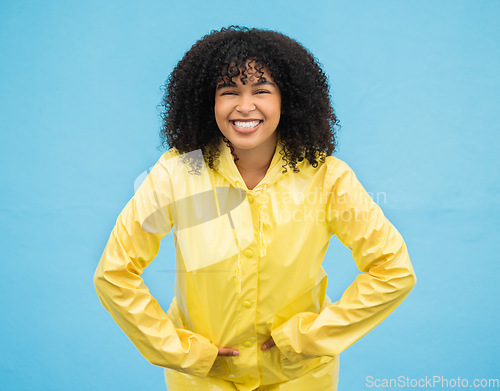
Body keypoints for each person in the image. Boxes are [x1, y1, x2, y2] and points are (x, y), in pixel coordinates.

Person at [94, 26, 416, 390]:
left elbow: (393, 271)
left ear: (287, 100)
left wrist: (308, 339)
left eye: (261, 91)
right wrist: (183, 352)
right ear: (208, 102)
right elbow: (114, 273)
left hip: (300, 378)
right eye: (229, 92)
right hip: (203, 382)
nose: (244, 106)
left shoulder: (328, 178)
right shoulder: (179, 172)